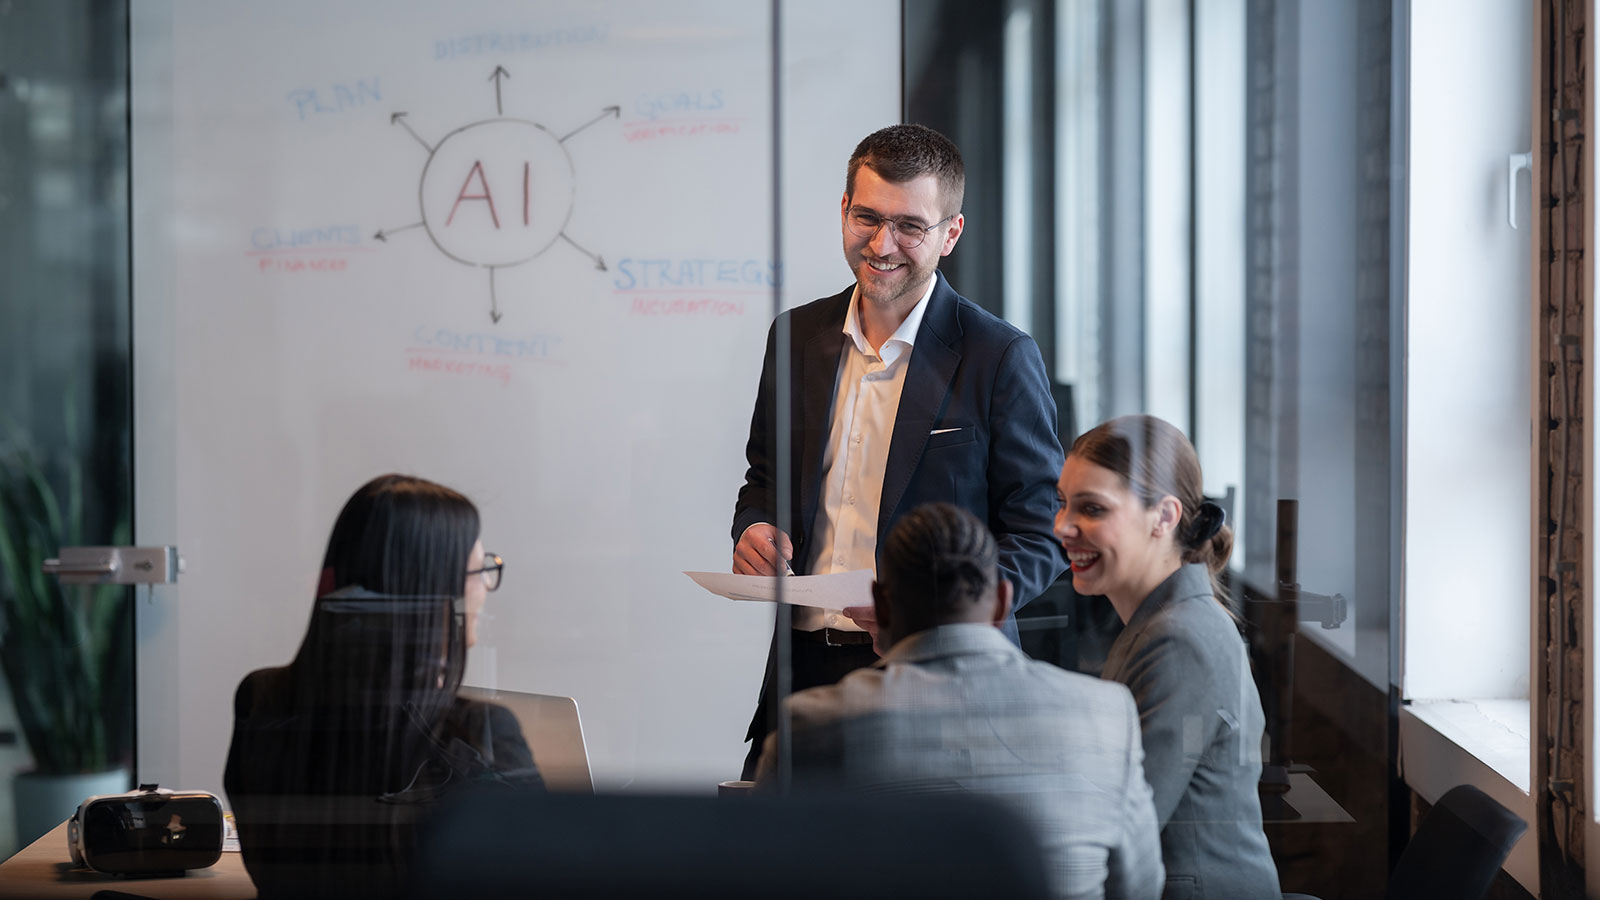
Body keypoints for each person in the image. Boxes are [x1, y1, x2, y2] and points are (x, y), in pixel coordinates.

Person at [732, 123, 1066, 777]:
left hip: (941, 679)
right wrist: (755, 527)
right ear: (844, 213)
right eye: (867, 218)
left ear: (951, 233)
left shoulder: (999, 356)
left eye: (910, 226)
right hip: (804, 669)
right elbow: (764, 474)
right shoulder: (796, 335)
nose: (882, 245)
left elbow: (1041, 532)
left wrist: (951, 611)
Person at [752, 503, 1163, 900]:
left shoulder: (810, 727)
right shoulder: (1108, 714)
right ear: (1002, 601)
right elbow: (1139, 888)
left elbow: (767, 878)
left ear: (881, 603)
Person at [224, 474, 541, 899]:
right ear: (432, 588)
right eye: (478, 571)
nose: (485, 587)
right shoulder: (476, 733)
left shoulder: (261, 700)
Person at [1054, 416, 1281, 900]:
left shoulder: (1179, 640)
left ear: (1164, 516)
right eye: (1062, 503)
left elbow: (1121, 829)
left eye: (1091, 508)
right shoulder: (1161, 622)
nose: (1063, 527)